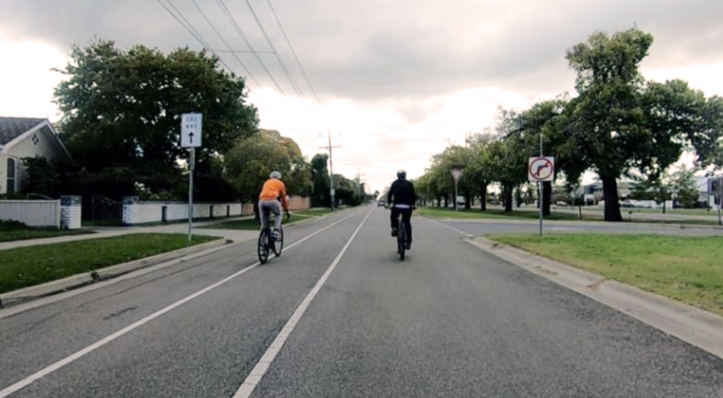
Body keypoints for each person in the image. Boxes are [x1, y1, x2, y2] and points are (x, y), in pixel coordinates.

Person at [387, 169, 416, 249]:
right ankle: (409, 242)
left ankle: (394, 228)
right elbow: (413, 195)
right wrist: (413, 205)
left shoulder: (395, 183)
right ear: (405, 176)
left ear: (397, 176)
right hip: (407, 207)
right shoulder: (409, 184)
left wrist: (389, 203)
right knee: (407, 222)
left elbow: (390, 194)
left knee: (393, 217)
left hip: (397, 206)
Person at [258, 171, 290, 238]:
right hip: (272, 200)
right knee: (278, 214)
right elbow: (283, 198)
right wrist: (286, 210)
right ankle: (276, 231)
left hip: (261, 201)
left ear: (271, 177)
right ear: (279, 177)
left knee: (265, 224)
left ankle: (263, 241)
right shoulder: (280, 183)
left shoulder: (266, 182)